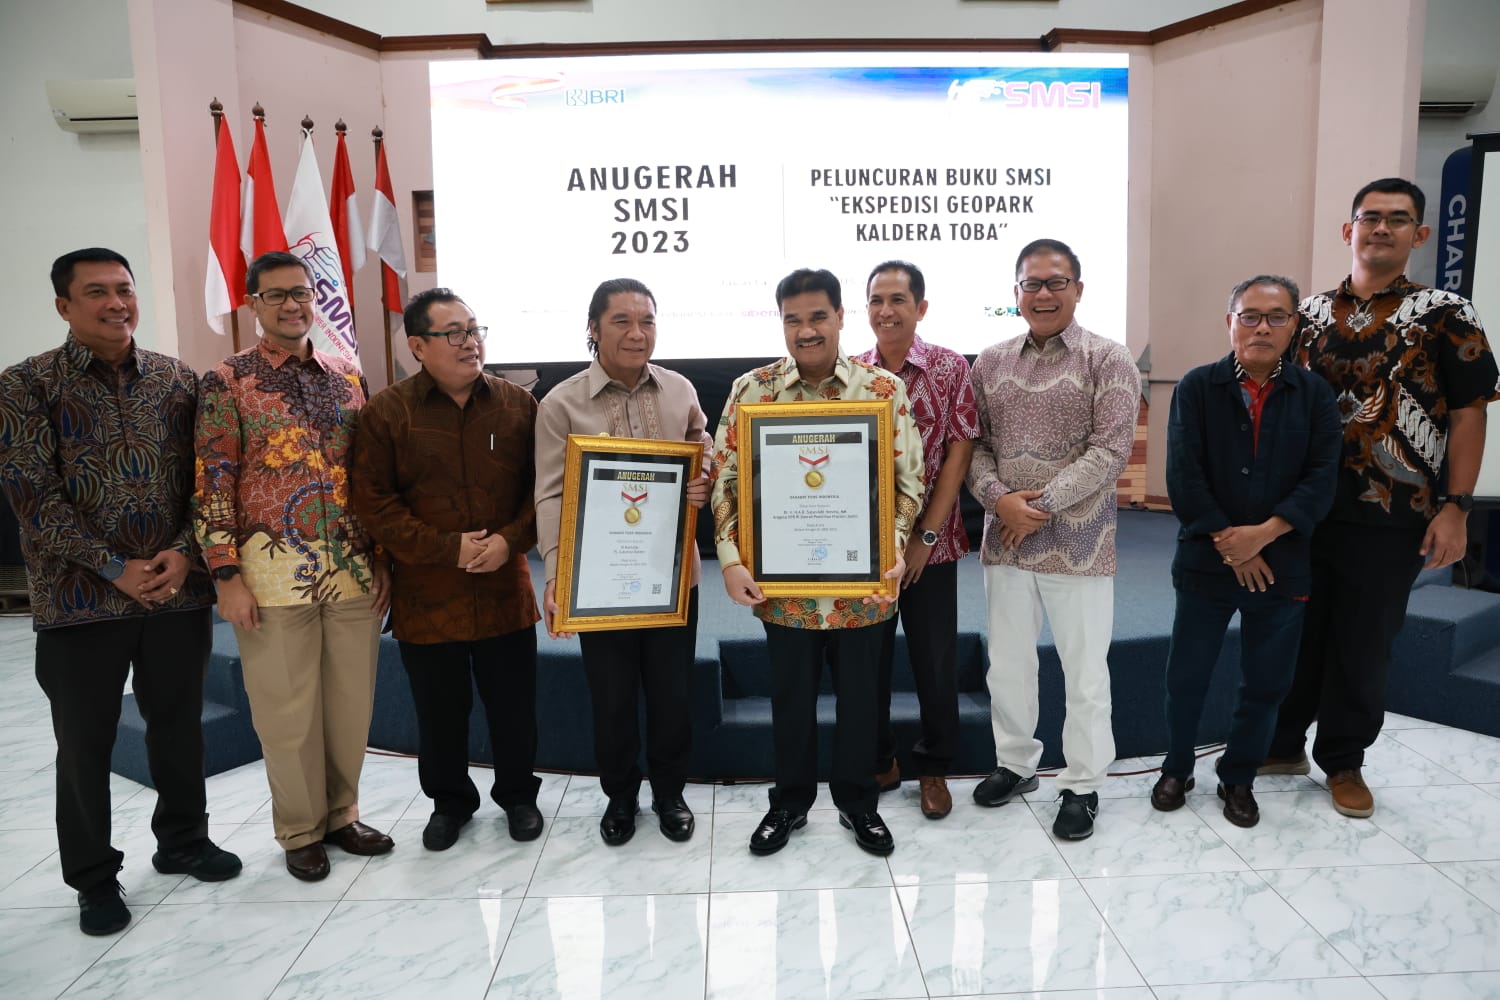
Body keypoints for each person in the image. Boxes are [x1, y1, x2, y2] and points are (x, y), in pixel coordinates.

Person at [0, 248, 240, 936]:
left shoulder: (177, 379)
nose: (116, 303)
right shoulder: (25, 384)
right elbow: (31, 495)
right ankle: (94, 879)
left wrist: (183, 552)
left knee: (178, 726)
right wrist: (112, 567)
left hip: (174, 592)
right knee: (84, 745)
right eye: (97, 292)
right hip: (78, 601)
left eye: (125, 289)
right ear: (64, 306)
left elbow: (206, 481)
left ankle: (184, 841)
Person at [1264, 178, 1500, 817]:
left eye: (1398, 219)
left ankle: (1343, 760)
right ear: (1349, 230)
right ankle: (1281, 744)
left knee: (1364, 641)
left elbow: (1469, 413)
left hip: (1394, 512)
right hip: (1303, 510)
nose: (1382, 228)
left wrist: (1457, 505)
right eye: (1371, 217)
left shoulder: (1446, 312)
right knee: (1296, 632)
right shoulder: (1306, 314)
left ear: (1419, 235)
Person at [194, 250, 394, 882]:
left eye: (301, 292)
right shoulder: (227, 380)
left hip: (352, 568)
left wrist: (382, 557)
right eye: (276, 294)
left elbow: (369, 475)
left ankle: (342, 815)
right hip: (271, 573)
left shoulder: (347, 375)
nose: (291, 304)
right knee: (287, 710)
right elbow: (212, 479)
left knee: (350, 705)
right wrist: (225, 574)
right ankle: (301, 830)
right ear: (253, 303)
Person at [712, 267, 924, 857]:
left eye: (818, 317)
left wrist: (893, 547)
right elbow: (726, 480)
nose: (806, 330)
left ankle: (859, 803)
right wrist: (729, 559)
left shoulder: (881, 390)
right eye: (794, 320)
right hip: (784, 586)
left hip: (864, 584)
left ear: (839, 317)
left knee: (862, 702)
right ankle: (789, 802)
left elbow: (909, 480)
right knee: (791, 700)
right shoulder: (752, 391)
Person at [351, 288, 544, 852]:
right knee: (439, 711)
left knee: (514, 705)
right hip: (428, 593)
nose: (470, 342)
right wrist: (444, 549)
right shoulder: (388, 412)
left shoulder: (517, 405)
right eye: (453, 333)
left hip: (505, 586)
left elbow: (544, 490)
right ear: (418, 346)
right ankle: (450, 803)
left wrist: (510, 541)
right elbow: (375, 502)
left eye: (474, 329)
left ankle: (519, 796)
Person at [965, 238, 1139, 841]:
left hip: (1080, 543)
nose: (1043, 294)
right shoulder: (989, 362)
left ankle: (1083, 783)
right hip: (1006, 541)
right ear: (1015, 292)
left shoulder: (1108, 358)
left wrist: (1035, 506)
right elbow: (974, 445)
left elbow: (1111, 450)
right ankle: (1016, 764)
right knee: (1009, 665)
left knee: (1084, 672)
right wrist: (999, 502)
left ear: (1078, 289)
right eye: (1031, 284)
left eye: (1055, 282)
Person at [1153, 275, 1341, 827]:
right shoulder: (1197, 387)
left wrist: (1261, 536)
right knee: (1186, 676)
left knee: (1266, 682)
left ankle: (1239, 777)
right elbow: (1183, 475)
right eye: (1250, 316)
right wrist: (1231, 542)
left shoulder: (1315, 394)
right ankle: (1176, 767)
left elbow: (1322, 479)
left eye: (1276, 317)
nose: (1262, 327)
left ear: (1294, 325)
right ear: (1229, 322)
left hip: (1282, 565)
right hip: (1206, 561)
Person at [534, 278, 712, 846]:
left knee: (672, 693)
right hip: (599, 579)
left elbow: (704, 450)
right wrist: (558, 574)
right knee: (610, 697)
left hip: (672, 575)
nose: (637, 333)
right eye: (622, 321)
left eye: (647, 321)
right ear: (593, 328)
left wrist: (704, 480)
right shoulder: (561, 403)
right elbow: (550, 495)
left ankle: (670, 792)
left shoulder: (680, 389)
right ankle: (620, 796)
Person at [852, 260, 978, 819]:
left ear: (920, 308)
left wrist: (925, 537)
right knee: (867, 662)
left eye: (898, 299)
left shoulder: (950, 368)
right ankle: (880, 760)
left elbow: (959, 454)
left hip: (933, 546)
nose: (886, 311)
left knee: (934, 661)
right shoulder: (853, 372)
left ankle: (934, 767)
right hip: (867, 552)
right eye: (877, 300)